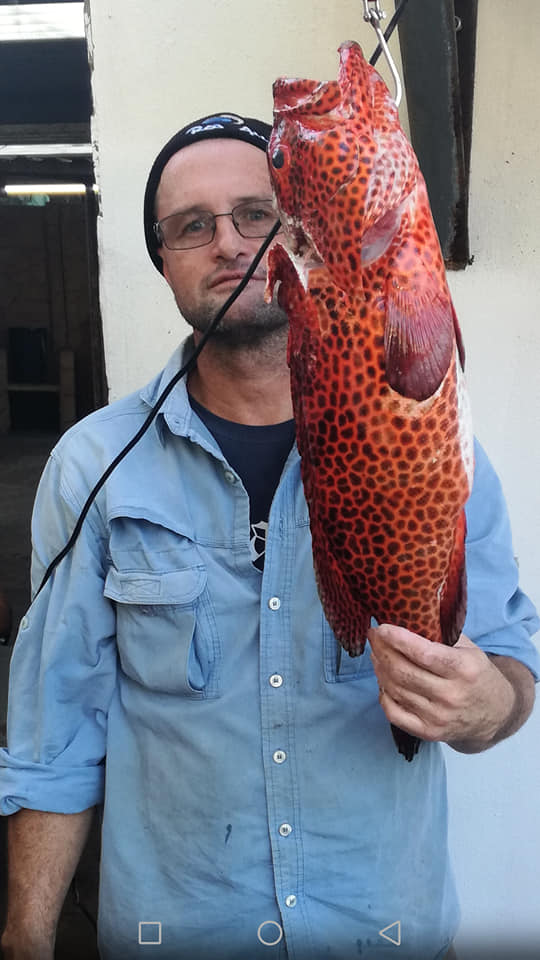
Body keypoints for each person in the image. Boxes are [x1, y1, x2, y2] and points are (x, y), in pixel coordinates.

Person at [0, 113, 538, 960]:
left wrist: (486, 707)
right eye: (191, 226)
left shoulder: (424, 439)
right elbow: (55, 732)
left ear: (302, 235)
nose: (228, 243)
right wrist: (27, 933)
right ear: (163, 261)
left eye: (256, 214)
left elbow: (509, 663)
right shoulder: (94, 467)